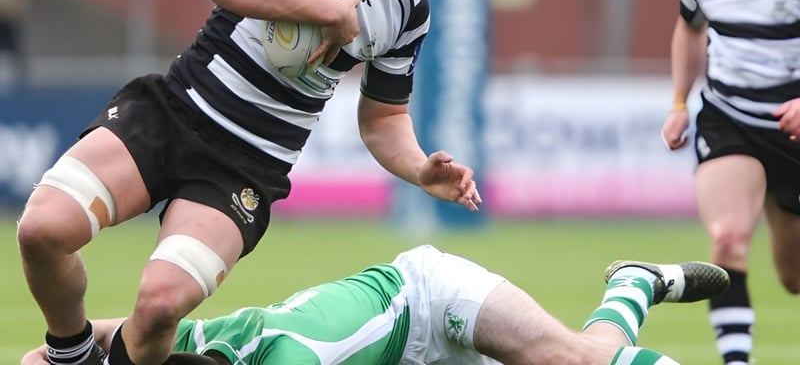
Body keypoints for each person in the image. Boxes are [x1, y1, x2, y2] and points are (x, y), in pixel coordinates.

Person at [16, 0, 481, 365]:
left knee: (161, 306)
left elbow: (383, 119)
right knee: (42, 231)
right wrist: (329, 11)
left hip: (246, 167)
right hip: (175, 110)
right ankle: (72, 354)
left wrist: (420, 169)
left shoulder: (410, 9)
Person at [20, 244, 731, 365]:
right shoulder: (208, 339)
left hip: (430, 298)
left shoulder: (288, 356)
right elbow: (56, 350)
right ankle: (633, 285)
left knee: (569, 361)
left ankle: (633, 285)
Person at [660, 0, 800, 364]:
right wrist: (679, 103)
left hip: (792, 130)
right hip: (728, 117)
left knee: (793, 279)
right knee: (727, 241)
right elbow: (690, 30)